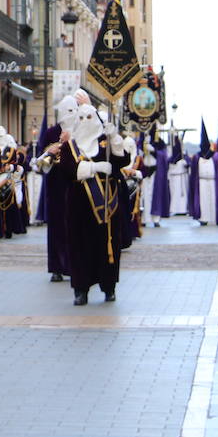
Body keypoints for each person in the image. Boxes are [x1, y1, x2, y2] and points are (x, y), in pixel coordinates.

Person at [56, 105, 131, 305]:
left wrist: (115, 137)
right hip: (79, 206)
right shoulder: (70, 146)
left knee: (107, 245)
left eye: (90, 117)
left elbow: (123, 160)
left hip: (106, 204)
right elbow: (67, 170)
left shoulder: (106, 144)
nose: (85, 121)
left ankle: (109, 287)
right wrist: (95, 167)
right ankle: (81, 290)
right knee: (80, 247)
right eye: (81, 117)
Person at [34, 95, 78, 282]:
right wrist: (49, 152)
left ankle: (75, 265)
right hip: (55, 185)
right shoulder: (51, 132)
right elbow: (39, 162)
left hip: (76, 184)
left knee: (76, 227)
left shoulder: (83, 129)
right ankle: (57, 267)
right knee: (56, 228)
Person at [188, 121, 218, 227]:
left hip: (213, 181)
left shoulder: (215, 156)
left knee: (213, 198)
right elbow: (193, 173)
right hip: (201, 182)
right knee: (203, 200)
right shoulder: (197, 157)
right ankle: (203, 218)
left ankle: (217, 216)